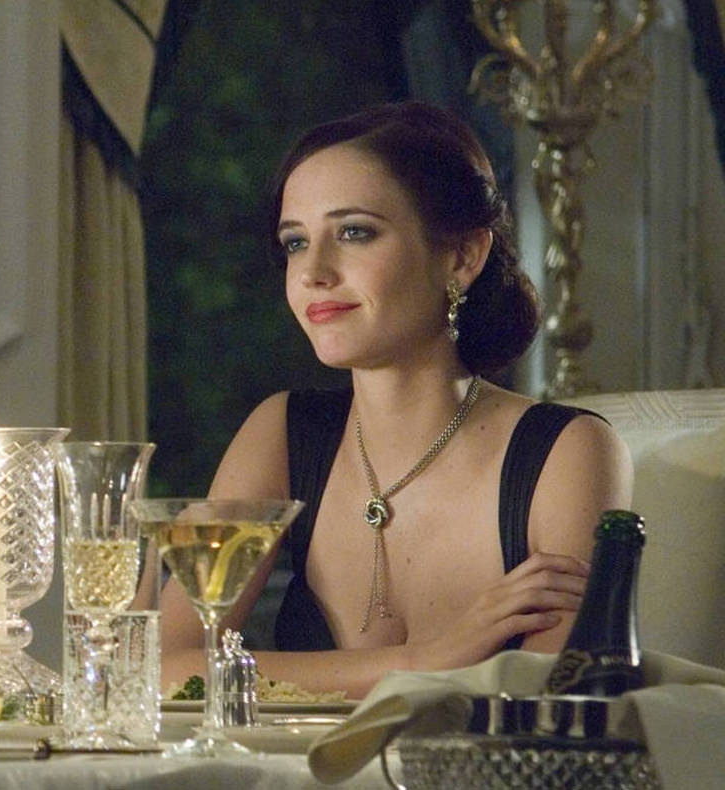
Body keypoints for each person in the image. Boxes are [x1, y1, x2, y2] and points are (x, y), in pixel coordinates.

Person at [156, 102, 633, 699]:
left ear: (462, 256)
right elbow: (163, 667)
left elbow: (546, 702)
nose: (313, 272)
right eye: (296, 242)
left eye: (354, 233)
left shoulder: (570, 450)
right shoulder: (279, 432)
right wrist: (422, 662)